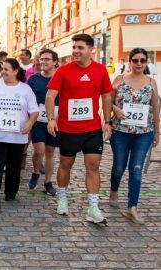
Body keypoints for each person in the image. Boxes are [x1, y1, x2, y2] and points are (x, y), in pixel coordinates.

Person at [46, 33, 113, 224]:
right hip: (68, 128)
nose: (75, 51)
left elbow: (107, 96)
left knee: (93, 165)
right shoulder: (64, 70)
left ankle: (93, 208)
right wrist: (51, 119)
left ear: (91, 50)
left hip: (92, 128)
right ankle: (62, 198)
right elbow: (51, 96)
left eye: (80, 47)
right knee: (66, 164)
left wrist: (107, 121)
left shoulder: (100, 70)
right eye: (74, 47)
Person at [0, 58, 39, 211]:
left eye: (6, 69)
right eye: (2, 69)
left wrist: (30, 124)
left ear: (16, 71)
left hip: (17, 136)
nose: (3, 72)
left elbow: (34, 111)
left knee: (14, 165)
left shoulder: (25, 89)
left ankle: (11, 192)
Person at [109, 48, 159, 224]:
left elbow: (155, 108)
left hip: (143, 133)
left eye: (142, 60)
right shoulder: (119, 80)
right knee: (119, 167)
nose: (139, 64)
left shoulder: (151, 82)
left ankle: (132, 208)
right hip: (120, 132)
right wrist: (115, 110)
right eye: (135, 60)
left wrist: (157, 131)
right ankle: (113, 190)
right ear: (129, 62)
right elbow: (108, 101)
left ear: (146, 63)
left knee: (136, 169)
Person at [27, 49, 59, 196]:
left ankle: (48, 181)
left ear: (55, 62)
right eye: (41, 59)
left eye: (47, 59)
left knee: (50, 152)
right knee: (39, 150)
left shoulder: (60, 77)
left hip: (55, 120)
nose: (43, 62)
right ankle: (35, 172)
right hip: (38, 120)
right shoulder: (34, 78)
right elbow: (26, 97)